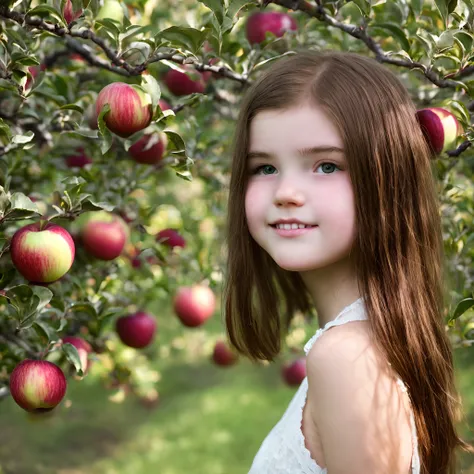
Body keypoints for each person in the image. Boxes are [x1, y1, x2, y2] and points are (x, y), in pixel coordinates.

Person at [223, 49, 474, 473]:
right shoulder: (368, 342)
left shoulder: (345, 358)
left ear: (388, 181)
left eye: (325, 165)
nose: (286, 191)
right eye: (264, 168)